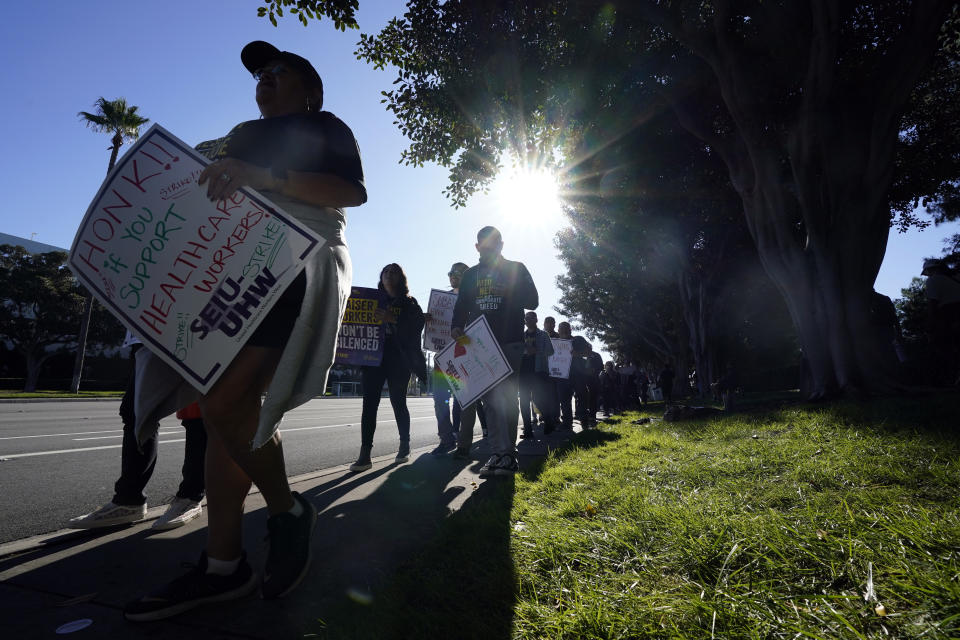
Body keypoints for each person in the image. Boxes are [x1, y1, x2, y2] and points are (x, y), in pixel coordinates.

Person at [124, 41, 367, 621]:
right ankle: (222, 564)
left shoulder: (326, 125)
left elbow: (349, 192)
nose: (264, 79)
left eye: (278, 72)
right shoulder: (239, 132)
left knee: (226, 400)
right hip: (229, 266)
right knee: (222, 411)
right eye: (259, 74)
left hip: (292, 260)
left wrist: (266, 177)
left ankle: (286, 509)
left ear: (309, 89)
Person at [70, 335, 206, 532]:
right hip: (148, 333)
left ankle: (190, 497)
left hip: (196, 334)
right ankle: (129, 501)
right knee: (136, 412)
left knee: (196, 415)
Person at [451, 226, 538, 477]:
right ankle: (501, 454)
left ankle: (507, 455)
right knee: (489, 400)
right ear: (477, 247)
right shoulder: (470, 276)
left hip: (510, 340)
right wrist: (456, 327)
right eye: (483, 245)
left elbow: (533, 300)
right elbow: (461, 306)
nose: (488, 249)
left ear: (501, 245)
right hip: (480, 344)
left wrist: (509, 289)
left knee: (508, 398)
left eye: (494, 244)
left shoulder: (516, 268)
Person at [349, 264, 427, 471]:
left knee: (398, 402)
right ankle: (365, 455)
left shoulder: (410, 303)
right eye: (385, 272)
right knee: (369, 405)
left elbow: (418, 325)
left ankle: (404, 445)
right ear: (381, 278)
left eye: (393, 272)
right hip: (373, 359)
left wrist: (393, 319)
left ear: (401, 278)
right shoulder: (372, 300)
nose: (389, 275)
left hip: (399, 360)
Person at [429, 262, 469, 453]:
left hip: (463, 355)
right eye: (451, 272)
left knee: (463, 400)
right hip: (441, 355)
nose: (453, 275)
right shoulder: (440, 300)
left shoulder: (472, 299)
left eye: (458, 272)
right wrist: (428, 322)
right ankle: (446, 439)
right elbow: (433, 328)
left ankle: (461, 438)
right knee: (440, 399)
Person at [518, 311, 555, 439]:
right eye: (526, 318)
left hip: (539, 372)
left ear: (536, 320)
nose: (528, 320)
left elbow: (551, 351)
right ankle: (528, 430)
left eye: (531, 318)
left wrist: (537, 351)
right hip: (523, 373)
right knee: (523, 402)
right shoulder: (521, 335)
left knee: (539, 400)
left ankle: (549, 422)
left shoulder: (543, 334)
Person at [555, 321, 576, 429]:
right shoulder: (554, 343)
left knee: (578, 397)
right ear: (558, 331)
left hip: (575, 375)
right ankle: (567, 422)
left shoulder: (575, 341)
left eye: (565, 328)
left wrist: (577, 353)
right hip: (561, 376)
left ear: (570, 329)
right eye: (561, 328)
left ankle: (584, 418)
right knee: (564, 400)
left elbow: (588, 353)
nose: (563, 330)